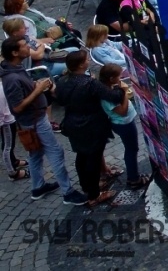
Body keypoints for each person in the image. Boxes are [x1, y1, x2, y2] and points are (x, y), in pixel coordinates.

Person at [1, 38, 86, 203]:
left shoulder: (15, 68)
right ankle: (68, 192)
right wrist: (37, 90)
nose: (29, 47)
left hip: (34, 119)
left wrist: (34, 86)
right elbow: (17, 107)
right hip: (35, 121)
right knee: (56, 152)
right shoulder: (11, 78)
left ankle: (38, 187)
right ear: (15, 53)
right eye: (24, 46)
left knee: (35, 154)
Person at [56, 49, 125, 207]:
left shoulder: (62, 81)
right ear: (81, 65)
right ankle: (94, 195)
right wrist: (119, 87)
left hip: (72, 123)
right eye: (87, 59)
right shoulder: (89, 83)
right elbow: (114, 97)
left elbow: (60, 100)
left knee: (82, 157)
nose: (88, 61)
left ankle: (87, 187)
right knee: (93, 159)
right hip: (92, 125)